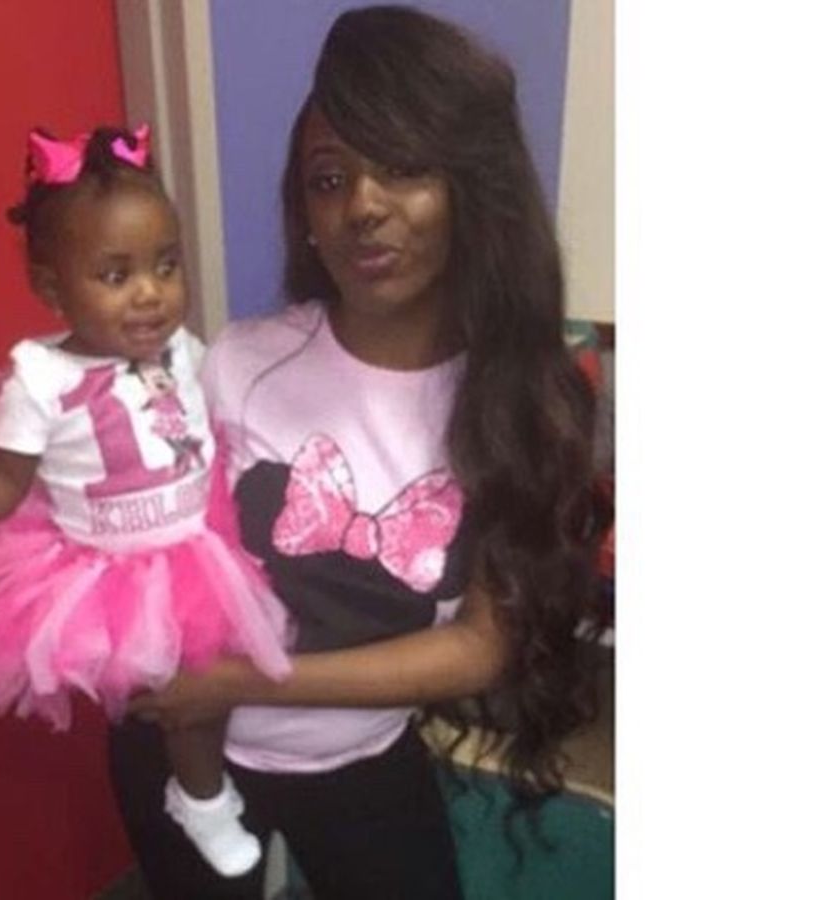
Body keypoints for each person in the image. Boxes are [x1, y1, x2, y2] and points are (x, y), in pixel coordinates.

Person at [111, 6, 602, 898]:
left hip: (361, 761)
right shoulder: (239, 363)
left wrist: (241, 681)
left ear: (469, 189)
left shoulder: (514, 405)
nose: (363, 207)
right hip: (188, 753)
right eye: (330, 179)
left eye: (403, 167)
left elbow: (480, 648)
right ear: (305, 213)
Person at [0, 123, 292, 878]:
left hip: (199, 548)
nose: (150, 292)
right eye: (116, 276)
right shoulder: (41, 380)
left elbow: (215, 425)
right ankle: (203, 799)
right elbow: (5, 476)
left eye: (166, 266)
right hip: (112, 573)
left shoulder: (185, 349)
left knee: (214, 684)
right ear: (54, 289)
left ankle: (203, 788)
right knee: (181, 693)